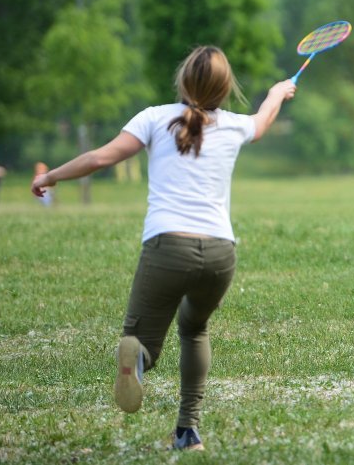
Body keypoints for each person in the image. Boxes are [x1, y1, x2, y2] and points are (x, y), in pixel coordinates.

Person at [31, 45, 297, 451]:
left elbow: (100, 157)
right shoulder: (235, 125)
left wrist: (52, 175)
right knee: (195, 328)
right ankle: (188, 431)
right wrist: (277, 92)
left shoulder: (154, 118)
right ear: (226, 88)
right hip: (220, 253)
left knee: (142, 342)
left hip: (167, 247)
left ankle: (137, 361)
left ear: (183, 80)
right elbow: (262, 122)